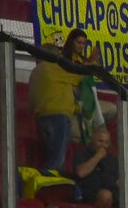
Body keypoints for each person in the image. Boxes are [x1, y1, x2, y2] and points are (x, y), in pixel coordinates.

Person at [30, 28, 107, 171]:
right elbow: (80, 75)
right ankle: (51, 184)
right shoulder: (53, 68)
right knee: (56, 160)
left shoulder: (36, 71)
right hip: (57, 117)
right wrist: (93, 63)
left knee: (49, 154)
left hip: (40, 117)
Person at [72, 127, 118, 207]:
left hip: (113, 191)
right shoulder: (82, 153)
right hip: (90, 193)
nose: (103, 145)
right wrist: (98, 156)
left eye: (106, 142)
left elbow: (118, 181)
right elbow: (81, 172)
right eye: (100, 141)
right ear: (92, 140)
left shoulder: (112, 159)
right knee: (106, 195)